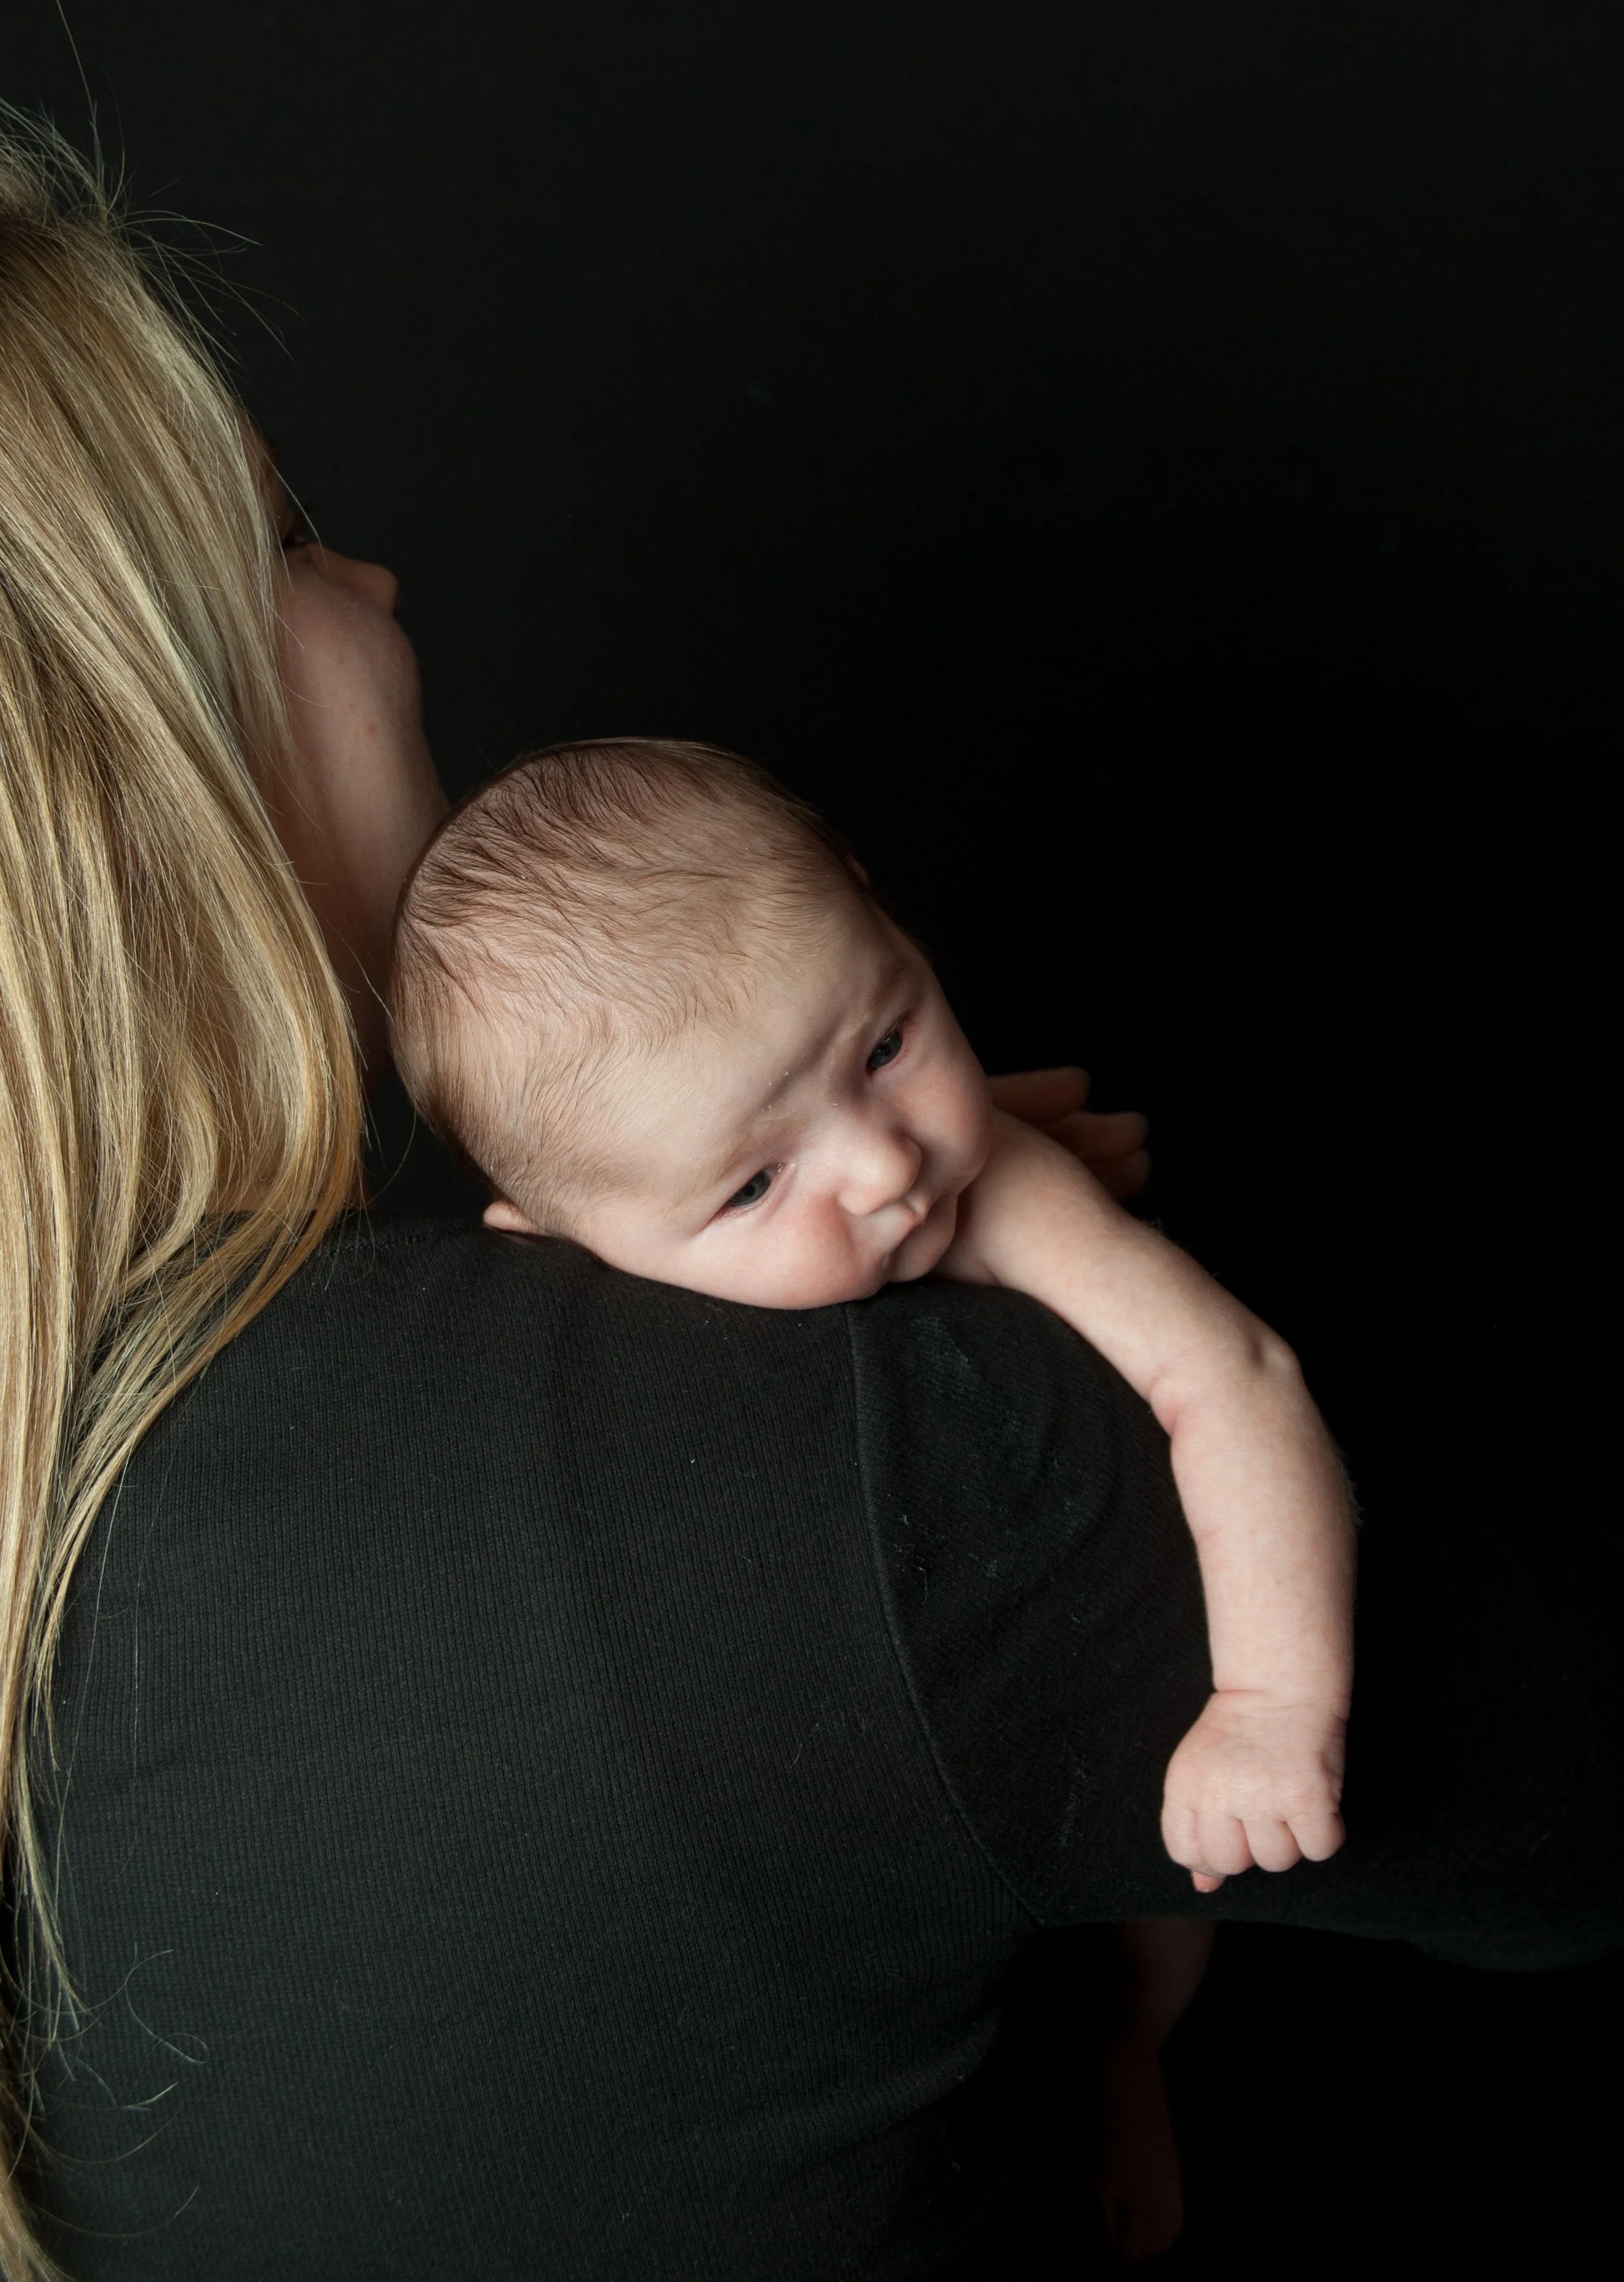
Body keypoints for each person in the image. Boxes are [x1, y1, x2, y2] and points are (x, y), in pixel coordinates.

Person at [1, 117, 1619, 2282]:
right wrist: (982, 1411)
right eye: (291, 542)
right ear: (136, 763)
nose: (378, 589)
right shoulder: (774, 1462)